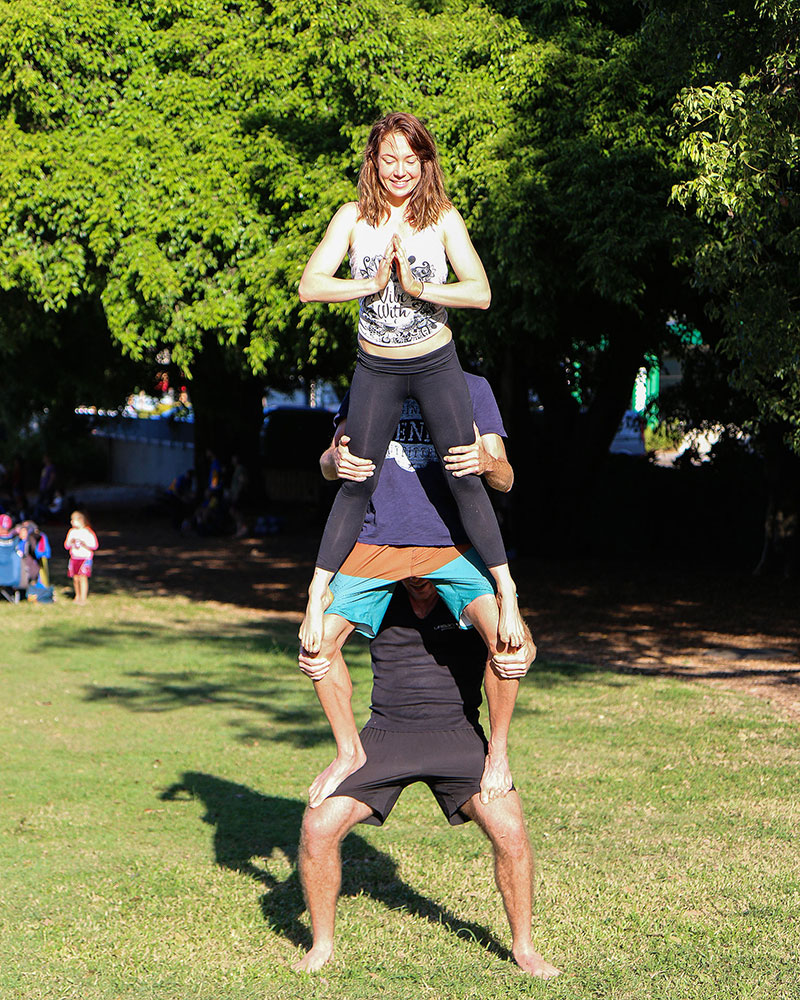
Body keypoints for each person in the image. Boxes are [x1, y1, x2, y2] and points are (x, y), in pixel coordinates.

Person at [297, 111, 525, 657]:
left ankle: (508, 589)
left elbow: (480, 293)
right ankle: (315, 591)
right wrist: (371, 282)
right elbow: (309, 286)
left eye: (410, 159)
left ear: (425, 163)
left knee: (466, 475)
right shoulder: (353, 217)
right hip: (376, 366)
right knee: (356, 478)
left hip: (433, 363)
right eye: (389, 158)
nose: (400, 170)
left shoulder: (443, 218)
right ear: (374, 163)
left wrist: (420, 287)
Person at [293, 578, 560, 980]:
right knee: (317, 826)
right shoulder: (377, 592)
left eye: (426, 563)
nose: (417, 575)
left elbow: (518, 638)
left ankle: (524, 948)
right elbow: (325, 642)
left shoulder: (469, 592)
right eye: (409, 564)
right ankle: (322, 945)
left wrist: (526, 651)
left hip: (458, 737)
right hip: (384, 736)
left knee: (510, 830)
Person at [303, 374, 521, 808]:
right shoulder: (369, 379)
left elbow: (506, 478)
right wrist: (335, 460)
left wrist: (485, 461)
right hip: (375, 542)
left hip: (449, 545)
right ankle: (349, 752)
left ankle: (497, 754)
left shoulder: (474, 387)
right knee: (315, 650)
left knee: (510, 647)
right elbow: (330, 461)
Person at [64, 510, 98, 604]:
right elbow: (66, 545)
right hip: (74, 557)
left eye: (73, 520)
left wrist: (84, 543)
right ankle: (77, 595)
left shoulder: (87, 532)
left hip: (84, 557)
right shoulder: (72, 532)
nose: (71, 522)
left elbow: (94, 545)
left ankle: (83, 597)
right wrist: (71, 542)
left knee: (83, 577)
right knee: (75, 578)